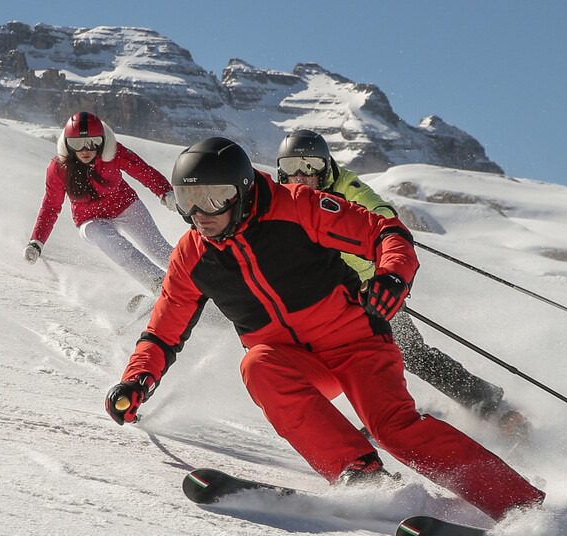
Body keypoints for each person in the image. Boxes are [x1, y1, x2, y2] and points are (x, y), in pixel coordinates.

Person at [104, 137, 544, 521]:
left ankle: (521, 505)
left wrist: (392, 275)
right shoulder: (192, 254)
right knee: (258, 365)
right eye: (187, 199)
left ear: (240, 191)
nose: (201, 213)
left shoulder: (297, 206)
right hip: (293, 361)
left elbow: (384, 232)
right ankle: (360, 474)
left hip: (357, 345)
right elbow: (164, 329)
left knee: (393, 427)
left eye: (215, 196)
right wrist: (136, 380)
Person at [276, 129, 508, 418]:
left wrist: (388, 272)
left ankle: (487, 402)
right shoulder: (279, 200)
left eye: (311, 167)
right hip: (323, 293)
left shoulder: (348, 188)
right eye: (290, 168)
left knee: (409, 353)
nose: (300, 176)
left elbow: (382, 215)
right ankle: (370, 416)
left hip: (370, 289)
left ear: (326, 168)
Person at [25, 111, 177, 295]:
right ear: (67, 145)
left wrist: (165, 191)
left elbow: (142, 170)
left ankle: (195, 278)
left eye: (92, 142)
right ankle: (157, 282)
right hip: (90, 220)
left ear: (102, 141)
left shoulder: (113, 153)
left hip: (125, 205)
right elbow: (50, 207)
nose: (85, 150)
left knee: (158, 248)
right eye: (77, 144)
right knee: (106, 237)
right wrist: (36, 242)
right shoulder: (59, 169)